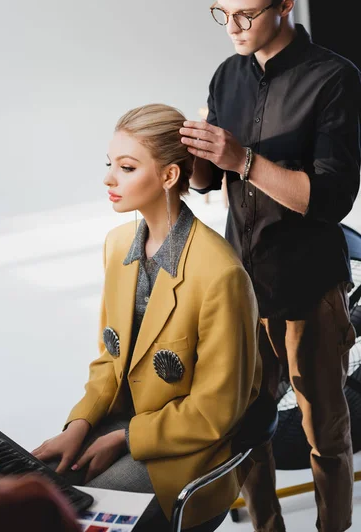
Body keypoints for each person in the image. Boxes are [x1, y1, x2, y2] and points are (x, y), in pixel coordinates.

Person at [179, 0, 361, 532]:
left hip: (311, 289)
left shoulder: (333, 78)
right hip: (242, 287)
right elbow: (213, 180)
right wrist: (192, 161)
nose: (231, 27)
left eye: (246, 14)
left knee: (326, 440)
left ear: (286, 3)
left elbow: (330, 200)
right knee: (245, 430)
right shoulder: (225, 76)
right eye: (221, 13)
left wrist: (244, 159)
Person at [32, 103, 261, 532]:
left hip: (189, 447)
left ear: (169, 176)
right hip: (121, 422)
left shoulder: (221, 274)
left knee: (78, 516)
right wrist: (79, 426)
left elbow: (214, 412)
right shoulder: (117, 246)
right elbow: (109, 360)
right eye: (109, 164)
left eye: (126, 167)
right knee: (33, 495)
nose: (108, 179)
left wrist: (124, 438)